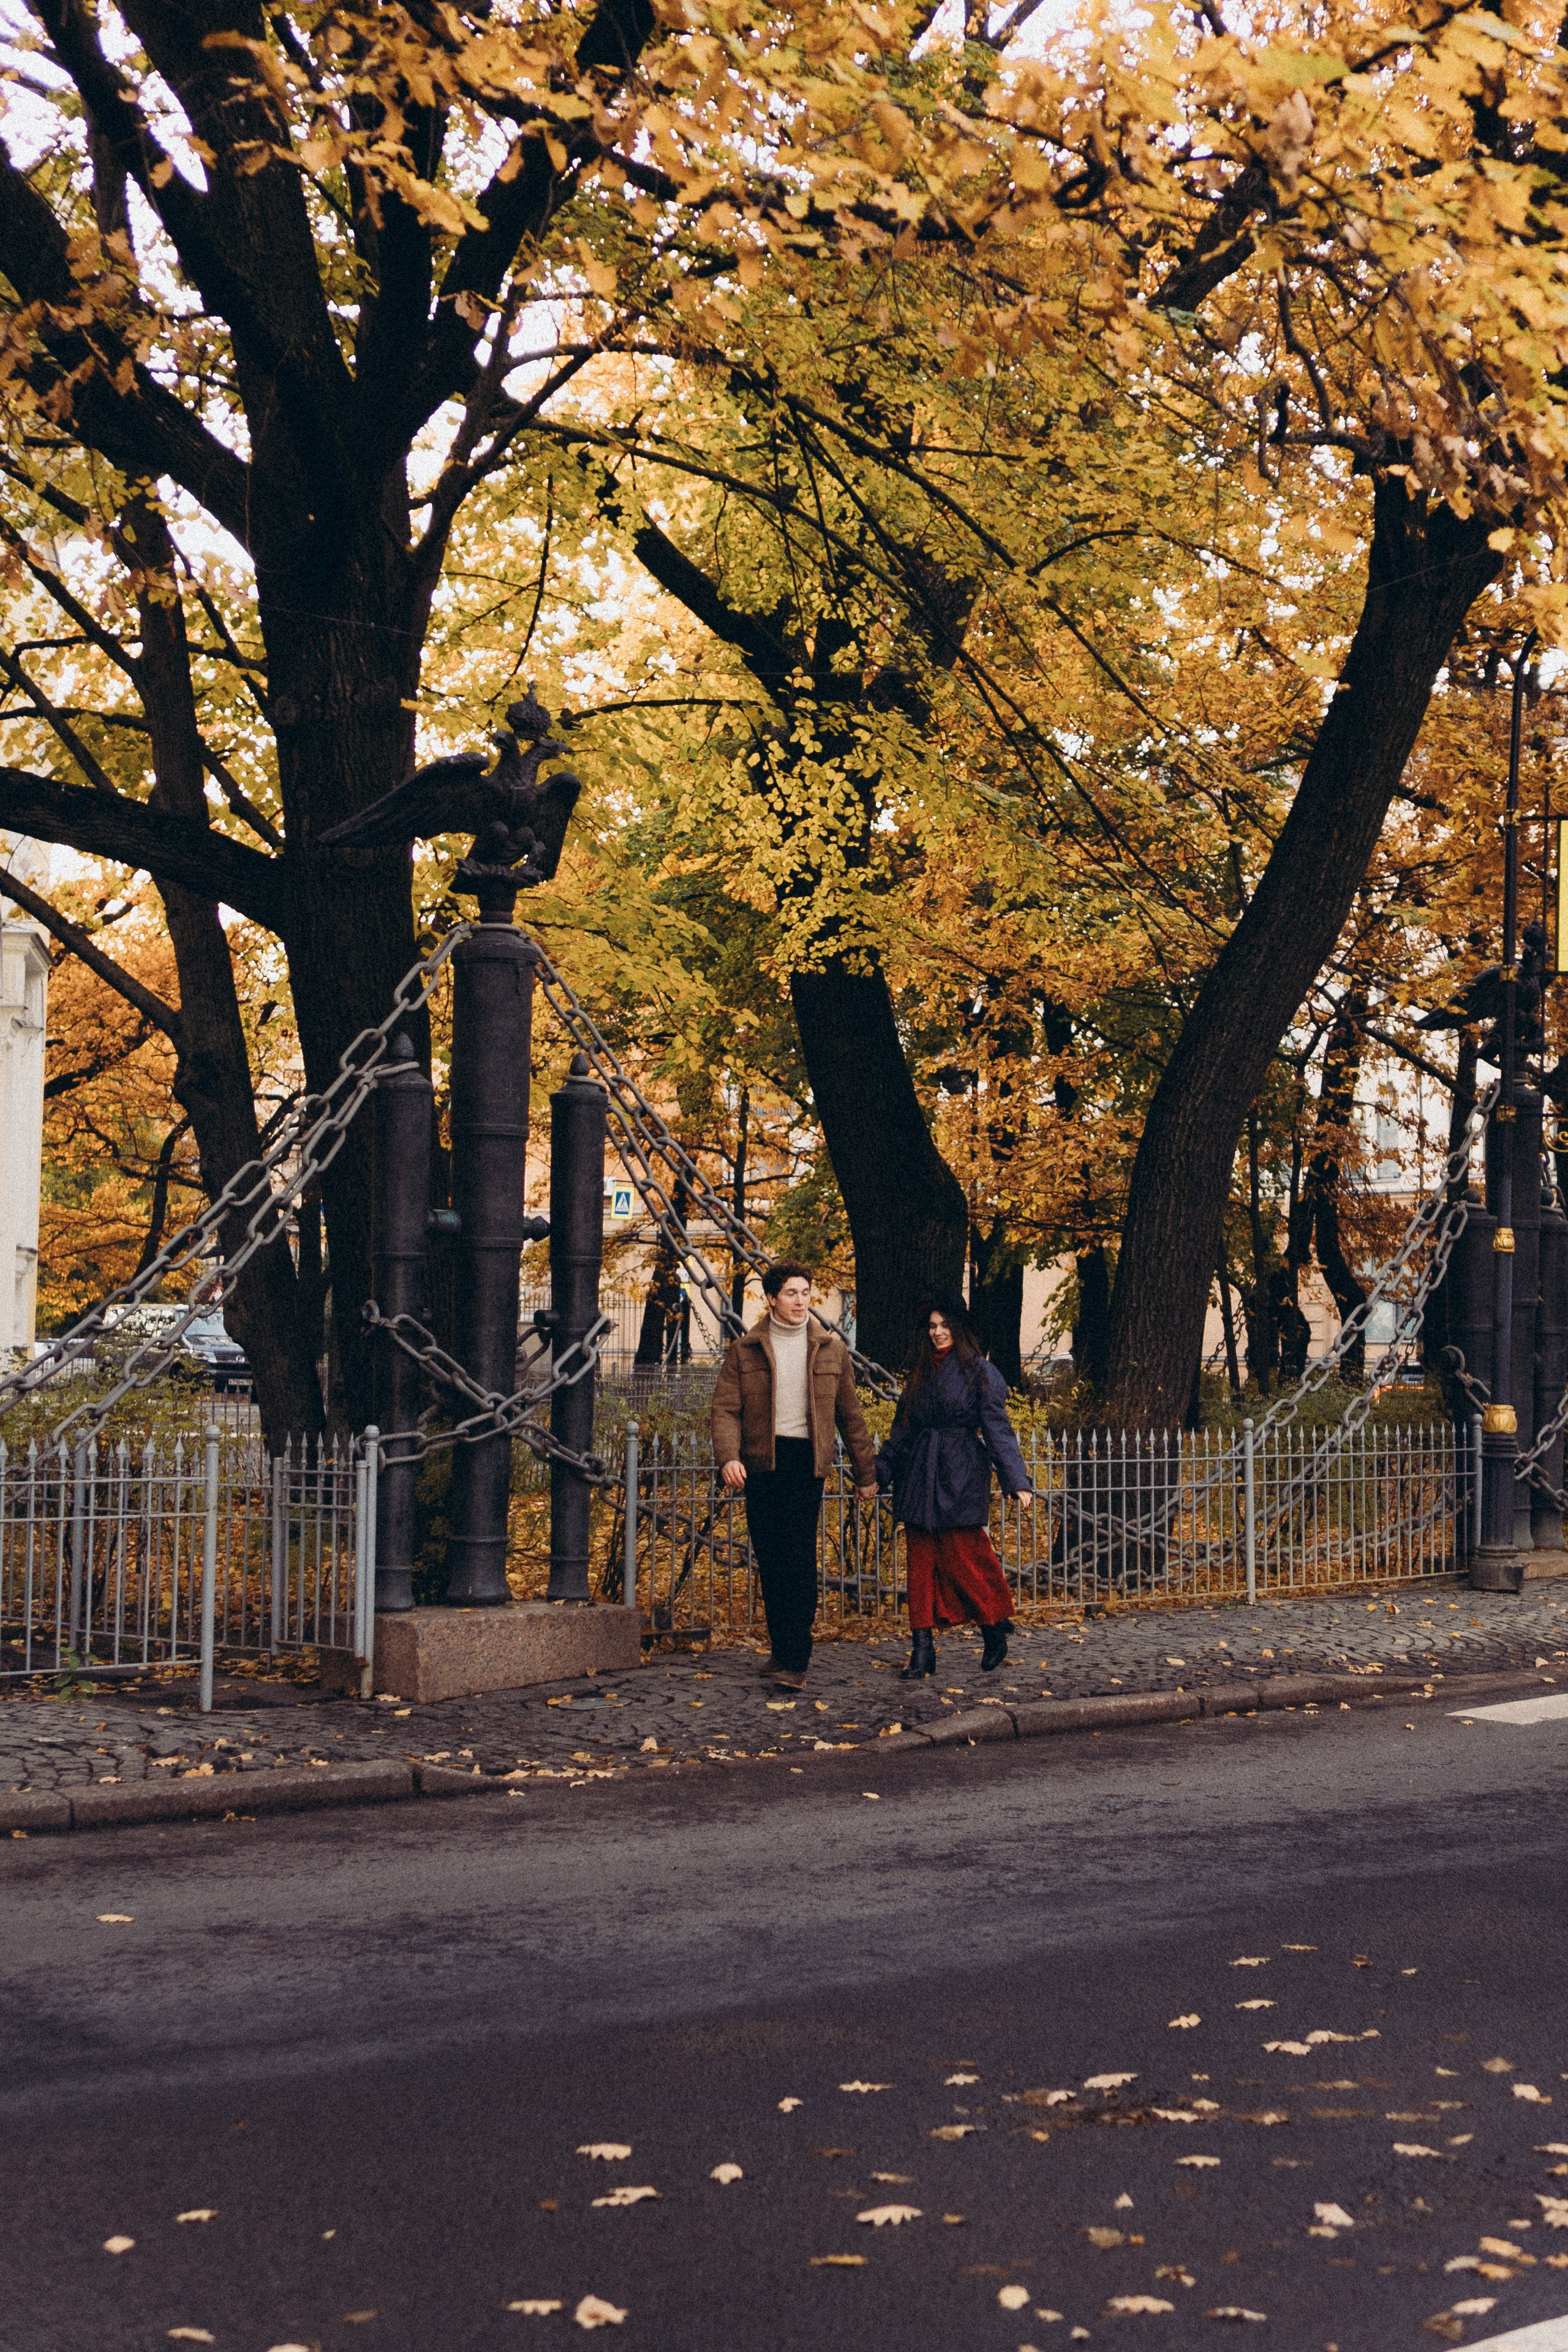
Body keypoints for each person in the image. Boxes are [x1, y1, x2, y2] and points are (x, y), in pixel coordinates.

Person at [711, 1261, 878, 1690]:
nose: (801, 1301)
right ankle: (782, 1648)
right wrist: (729, 1458)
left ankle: (796, 1659)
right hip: (761, 1463)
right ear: (772, 1298)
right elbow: (726, 1410)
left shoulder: (831, 1350)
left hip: (806, 1462)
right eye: (791, 1293)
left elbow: (851, 1417)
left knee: (798, 1558)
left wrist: (866, 1474)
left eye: (805, 1293)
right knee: (770, 1559)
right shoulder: (745, 1350)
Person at [875, 1290, 1034, 1679]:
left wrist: (1016, 1479)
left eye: (945, 1325)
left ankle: (993, 1627)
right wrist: (878, 1473)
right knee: (919, 1565)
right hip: (919, 1475)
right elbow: (902, 1431)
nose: (937, 1332)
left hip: (961, 1473)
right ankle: (922, 1651)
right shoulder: (920, 1373)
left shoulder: (980, 1372)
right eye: (932, 1326)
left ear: (959, 1328)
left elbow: (997, 1427)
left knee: (964, 1558)